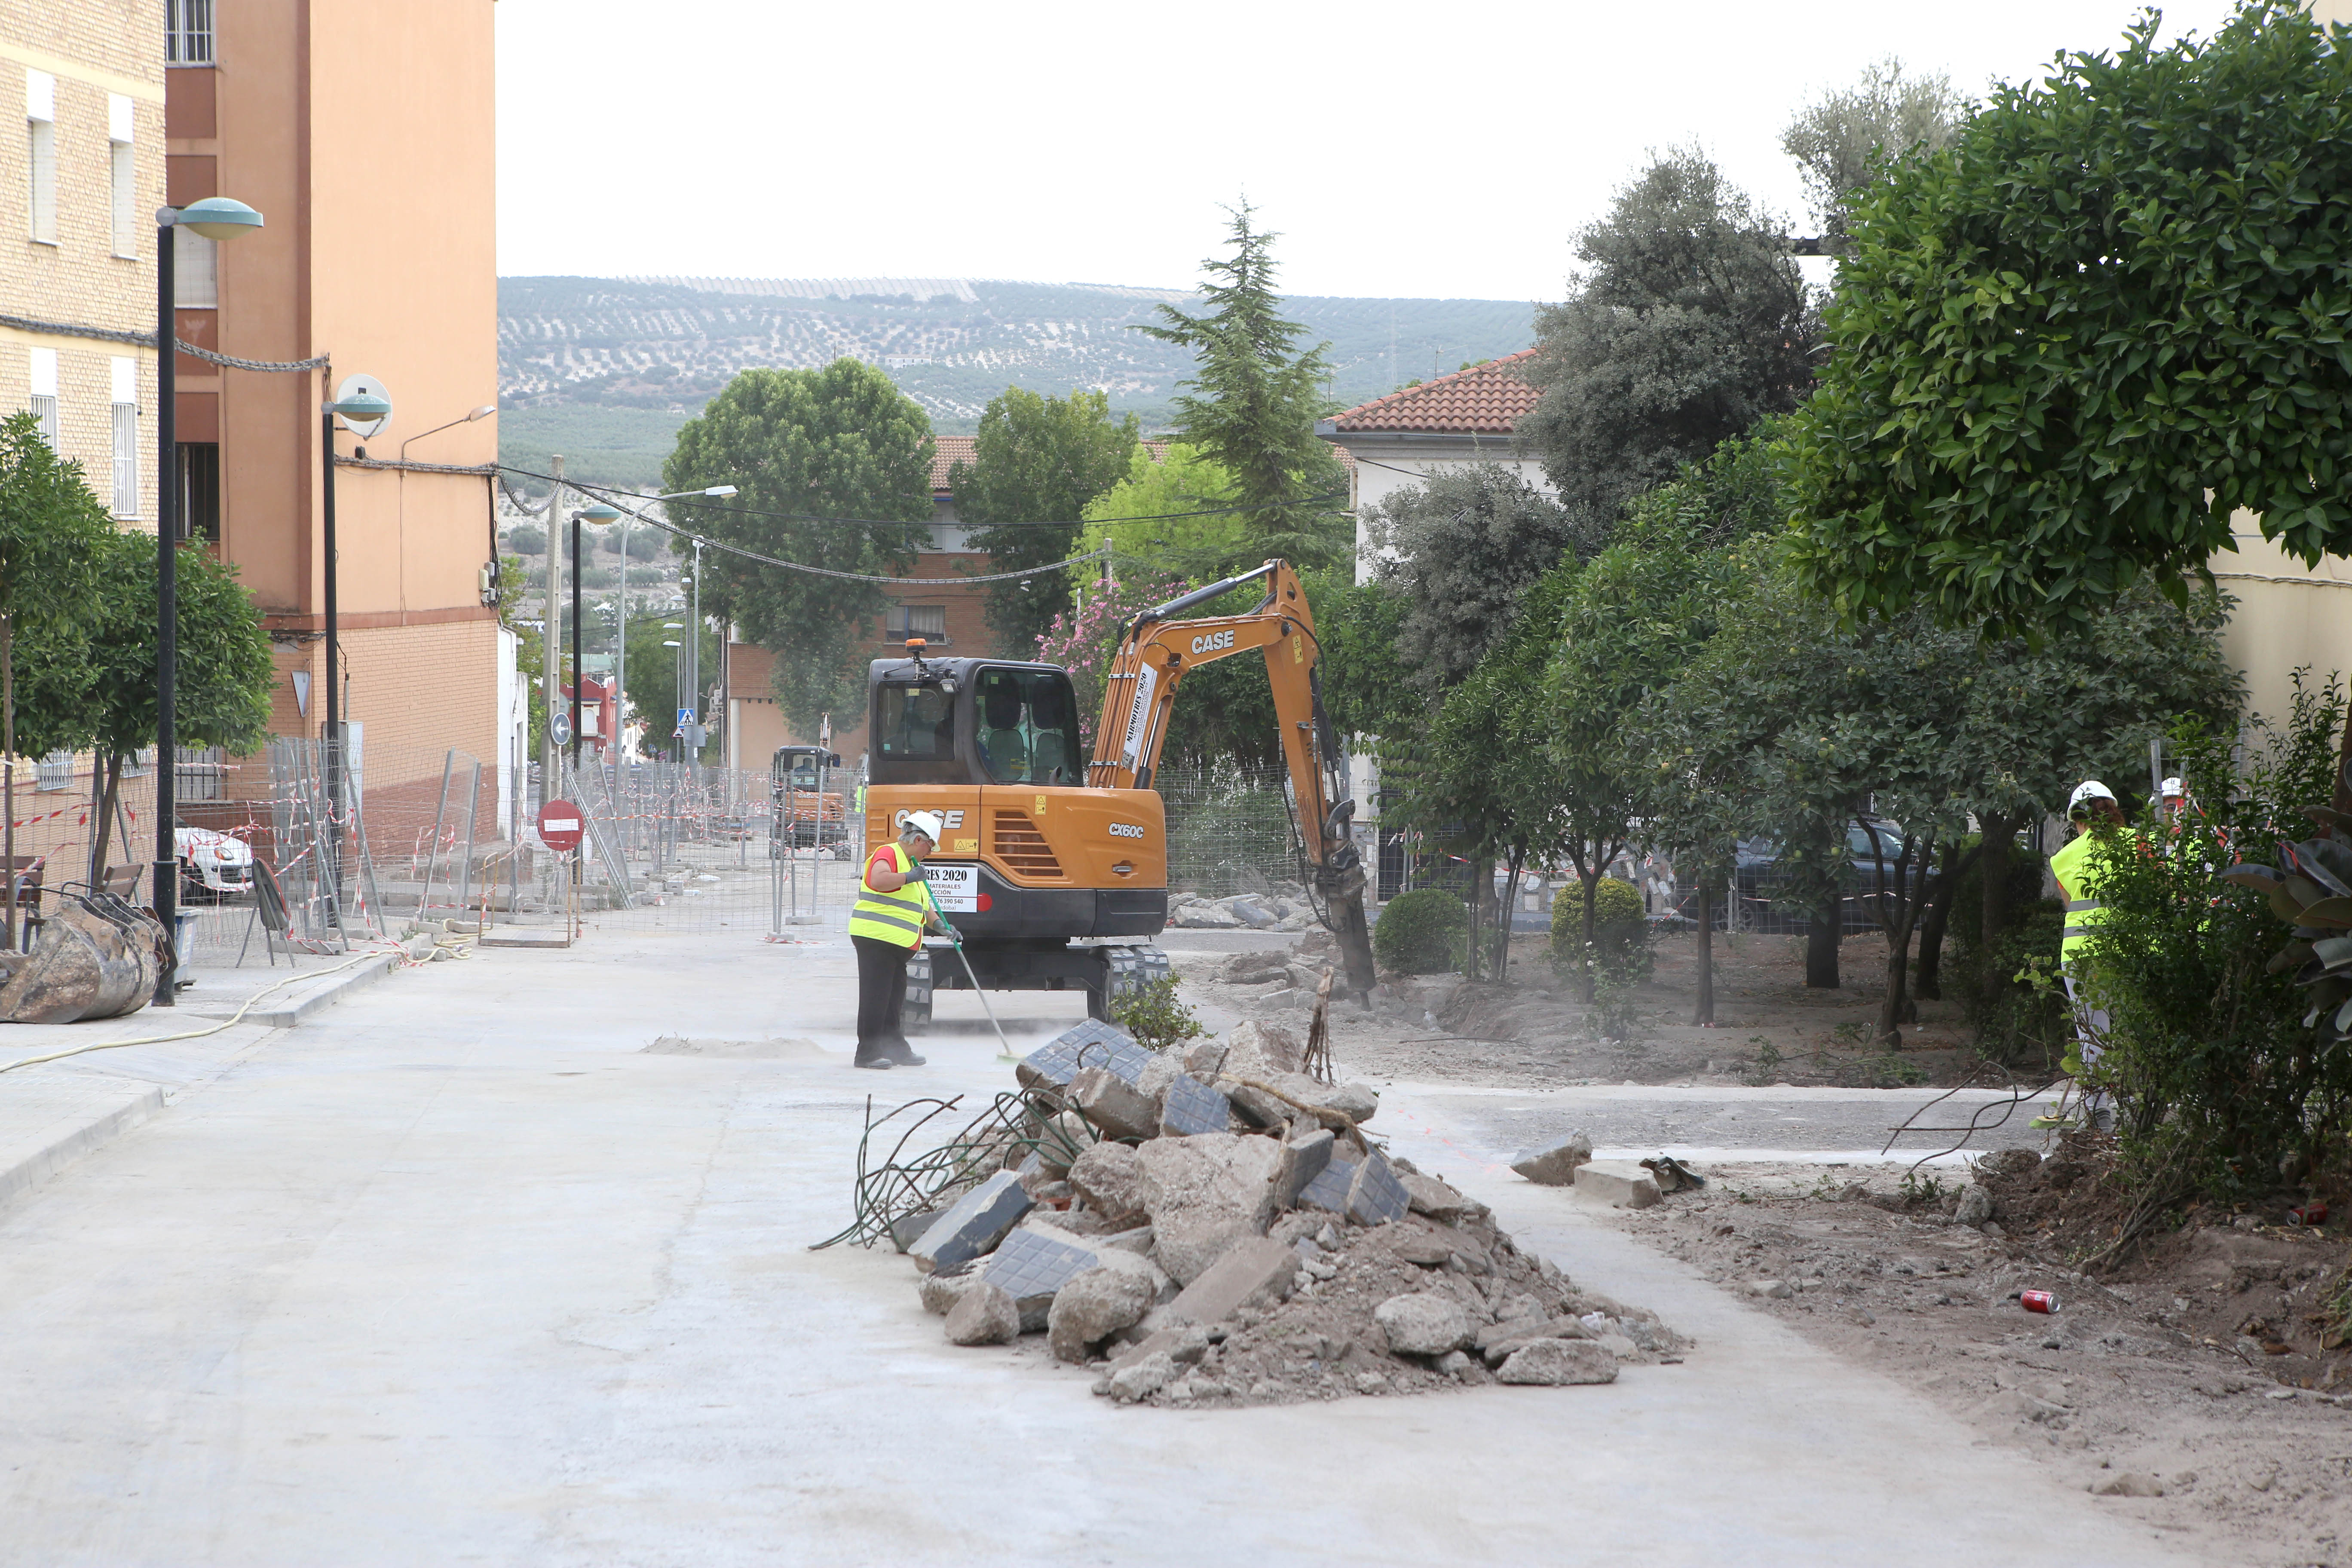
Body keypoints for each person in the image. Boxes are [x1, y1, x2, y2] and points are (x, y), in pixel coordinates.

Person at [848, 810, 957, 1069]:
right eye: (930, 846)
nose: (930, 852)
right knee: (876, 997)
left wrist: (943, 926)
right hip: (876, 938)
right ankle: (867, 1053)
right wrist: (909, 877)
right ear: (919, 840)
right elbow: (878, 880)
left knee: (893, 999)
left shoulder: (911, 865)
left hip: (896, 944)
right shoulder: (890, 854)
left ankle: (896, 1049)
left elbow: (923, 907)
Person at [2046, 780, 2126, 1132]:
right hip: (2134, 954)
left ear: (2077, 819)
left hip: (2081, 957)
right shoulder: (2142, 844)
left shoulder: (2064, 858)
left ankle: (2100, 1111)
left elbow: (2070, 905)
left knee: (2093, 1033)